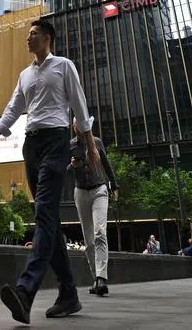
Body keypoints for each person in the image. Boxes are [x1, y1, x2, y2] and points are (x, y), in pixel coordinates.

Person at [0, 18, 98, 324]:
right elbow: (13, 108)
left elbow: (79, 104)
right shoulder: (25, 75)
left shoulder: (64, 66)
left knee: (44, 210)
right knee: (48, 219)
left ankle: (25, 291)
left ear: (47, 38)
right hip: (31, 145)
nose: (27, 38)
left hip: (57, 140)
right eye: (28, 35)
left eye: (33, 34)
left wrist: (90, 146)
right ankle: (69, 294)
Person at [69, 118, 117, 297]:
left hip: (99, 190)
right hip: (81, 192)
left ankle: (101, 278)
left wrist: (115, 185)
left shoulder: (96, 142)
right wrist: (74, 166)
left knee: (100, 232)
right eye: (76, 124)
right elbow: (66, 169)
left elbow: (106, 163)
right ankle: (96, 278)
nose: (79, 127)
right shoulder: (70, 145)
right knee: (89, 241)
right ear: (73, 127)